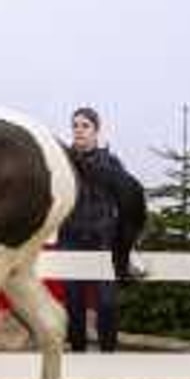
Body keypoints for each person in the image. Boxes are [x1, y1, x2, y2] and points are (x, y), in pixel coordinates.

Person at [58, 107, 132, 352]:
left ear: (96, 131)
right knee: (74, 304)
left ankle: (108, 362)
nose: (79, 130)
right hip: (70, 240)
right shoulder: (63, 161)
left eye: (85, 125)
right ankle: (79, 360)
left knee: (107, 303)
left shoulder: (111, 163)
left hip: (104, 243)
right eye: (75, 125)